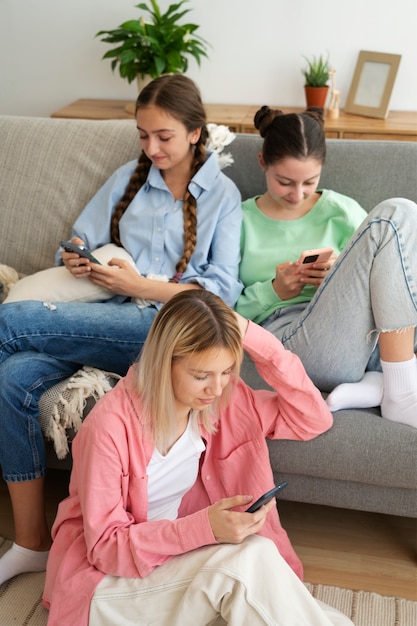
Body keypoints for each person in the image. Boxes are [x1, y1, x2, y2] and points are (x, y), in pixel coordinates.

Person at [0, 75, 243, 587]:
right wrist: (76, 254)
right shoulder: (128, 177)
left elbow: (218, 294)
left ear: (196, 133)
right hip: (100, 314)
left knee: (9, 321)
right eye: (143, 136)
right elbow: (80, 236)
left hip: (163, 330)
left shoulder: (222, 195)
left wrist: (140, 285)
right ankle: (30, 541)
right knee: (14, 378)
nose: (151, 148)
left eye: (164, 137)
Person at [43, 289, 352, 626]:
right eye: (201, 375)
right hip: (108, 581)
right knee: (245, 565)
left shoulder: (224, 401)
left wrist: (250, 334)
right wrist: (204, 529)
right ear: (164, 362)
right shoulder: (108, 428)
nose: (217, 388)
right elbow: (105, 547)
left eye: (227, 371)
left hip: (178, 563)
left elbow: (313, 418)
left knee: (318, 614)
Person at [236, 105, 417, 426]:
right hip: (289, 337)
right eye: (285, 182)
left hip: (360, 338)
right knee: (396, 213)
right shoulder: (240, 220)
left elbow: (391, 281)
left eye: (310, 181)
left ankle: (378, 380)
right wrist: (274, 291)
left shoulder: (342, 210)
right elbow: (224, 310)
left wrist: (339, 276)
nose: (298, 193)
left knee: (401, 231)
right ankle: (400, 391)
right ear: (263, 162)